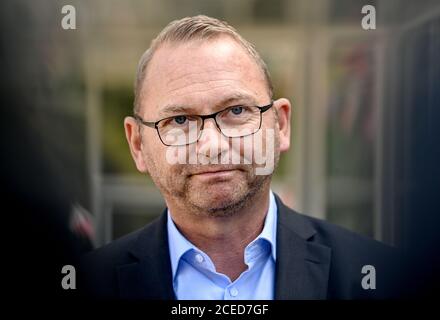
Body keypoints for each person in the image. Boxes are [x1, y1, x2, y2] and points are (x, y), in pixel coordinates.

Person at [80, 15, 402, 299]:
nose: (212, 145)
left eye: (236, 110)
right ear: (137, 144)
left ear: (281, 125)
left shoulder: (384, 278)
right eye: (179, 120)